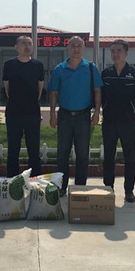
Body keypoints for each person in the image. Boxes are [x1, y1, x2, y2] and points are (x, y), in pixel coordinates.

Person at [48, 36, 103, 195]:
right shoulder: (59, 69)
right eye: (73, 45)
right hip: (64, 116)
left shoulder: (91, 68)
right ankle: (61, 186)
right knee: (62, 154)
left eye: (79, 45)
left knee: (82, 154)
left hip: (83, 116)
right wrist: (52, 114)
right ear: (68, 48)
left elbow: (97, 91)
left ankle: (79, 187)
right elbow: (54, 93)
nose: (76, 49)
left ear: (84, 48)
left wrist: (97, 112)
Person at [101, 39, 135, 203]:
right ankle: (108, 187)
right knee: (108, 157)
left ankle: (129, 190)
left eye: (119, 51)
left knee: (129, 157)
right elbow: (101, 94)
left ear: (126, 53)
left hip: (128, 121)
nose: (116, 54)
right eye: (113, 51)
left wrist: (130, 108)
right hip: (109, 121)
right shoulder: (106, 73)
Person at [2, 36, 45, 177]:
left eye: (29, 44)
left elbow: (40, 88)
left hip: (32, 113)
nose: (27, 46)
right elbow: (7, 88)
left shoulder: (38, 65)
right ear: (16, 47)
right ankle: (12, 180)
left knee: (34, 150)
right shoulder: (9, 65)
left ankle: (34, 180)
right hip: (13, 112)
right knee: (13, 149)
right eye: (24, 43)